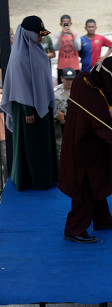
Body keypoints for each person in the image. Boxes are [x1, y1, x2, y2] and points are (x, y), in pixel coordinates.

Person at [59, 57, 112, 244]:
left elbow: (101, 111)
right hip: (83, 147)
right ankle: (74, 229)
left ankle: (102, 218)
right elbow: (102, 127)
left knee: (98, 180)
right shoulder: (94, 97)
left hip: (89, 143)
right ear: (106, 78)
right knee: (86, 186)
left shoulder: (82, 78)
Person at [1, 16, 58, 191]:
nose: (41, 38)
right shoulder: (19, 57)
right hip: (28, 110)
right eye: (38, 34)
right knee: (31, 146)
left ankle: (47, 177)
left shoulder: (37, 49)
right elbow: (20, 86)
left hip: (42, 107)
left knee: (43, 144)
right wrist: (28, 110)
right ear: (27, 34)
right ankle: (34, 181)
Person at [54, 67, 76, 164]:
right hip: (61, 129)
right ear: (62, 78)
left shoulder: (81, 92)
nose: (69, 82)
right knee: (62, 154)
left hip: (76, 128)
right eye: (67, 79)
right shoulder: (55, 93)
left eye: (72, 79)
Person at [53, 14, 81, 84]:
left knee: (76, 87)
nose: (66, 25)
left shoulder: (76, 34)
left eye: (67, 23)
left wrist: (72, 35)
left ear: (70, 23)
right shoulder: (57, 35)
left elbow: (78, 48)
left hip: (74, 66)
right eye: (64, 23)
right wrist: (62, 34)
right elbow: (55, 48)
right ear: (61, 24)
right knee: (61, 87)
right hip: (62, 66)